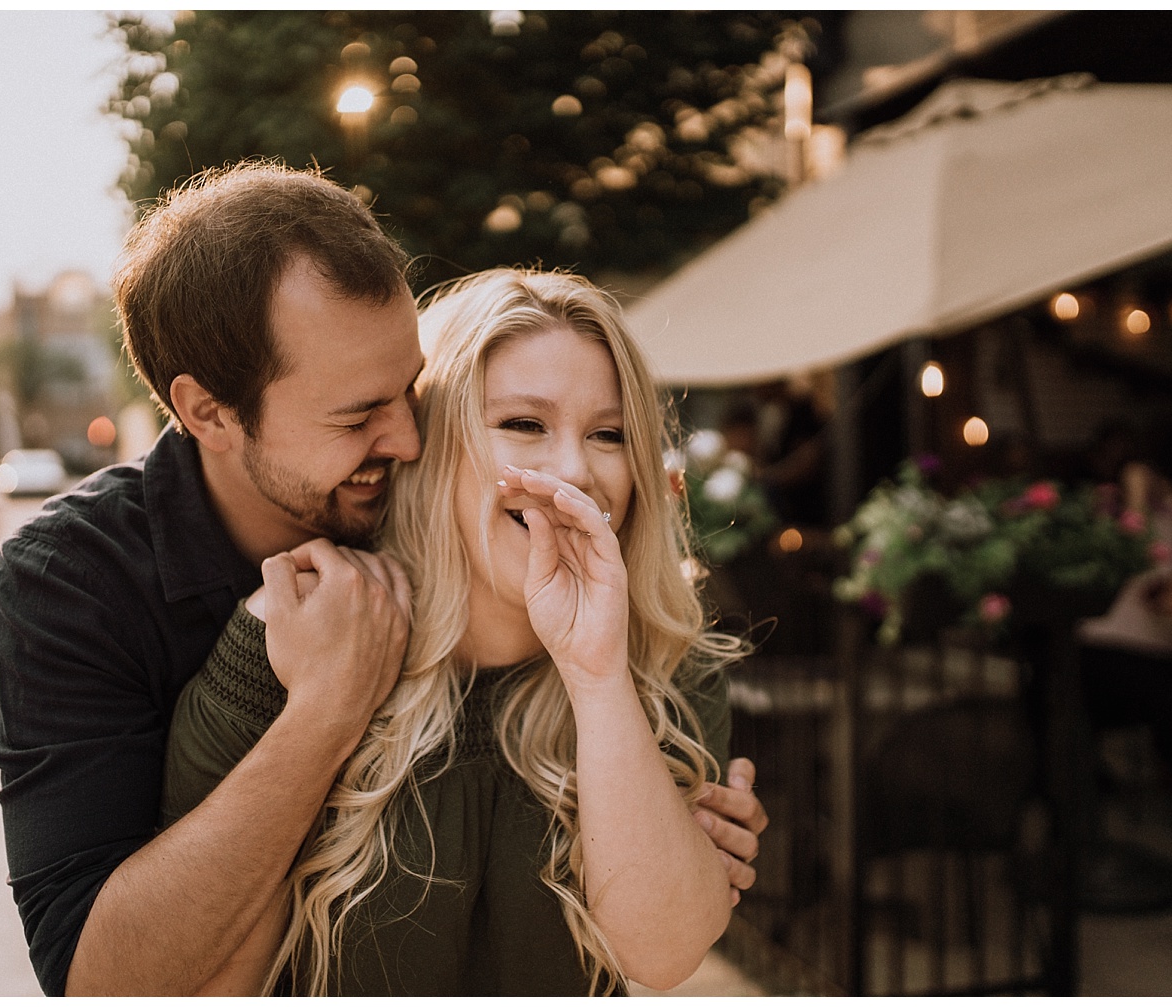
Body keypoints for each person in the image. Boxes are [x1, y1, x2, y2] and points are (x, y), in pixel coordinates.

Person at [0, 162, 768, 996]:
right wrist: (324, 711)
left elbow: (661, 950)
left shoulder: (649, 647)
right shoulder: (83, 586)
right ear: (208, 412)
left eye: (412, 391)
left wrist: (610, 698)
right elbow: (117, 985)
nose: (407, 439)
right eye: (360, 414)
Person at [161, 268, 751, 995]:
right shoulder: (291, 637)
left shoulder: (669, 667)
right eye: (523, 425)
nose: (573, 471)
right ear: (435, 444)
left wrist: (595, 671)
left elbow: (661, 956)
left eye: (609, 434)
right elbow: (197, 976)